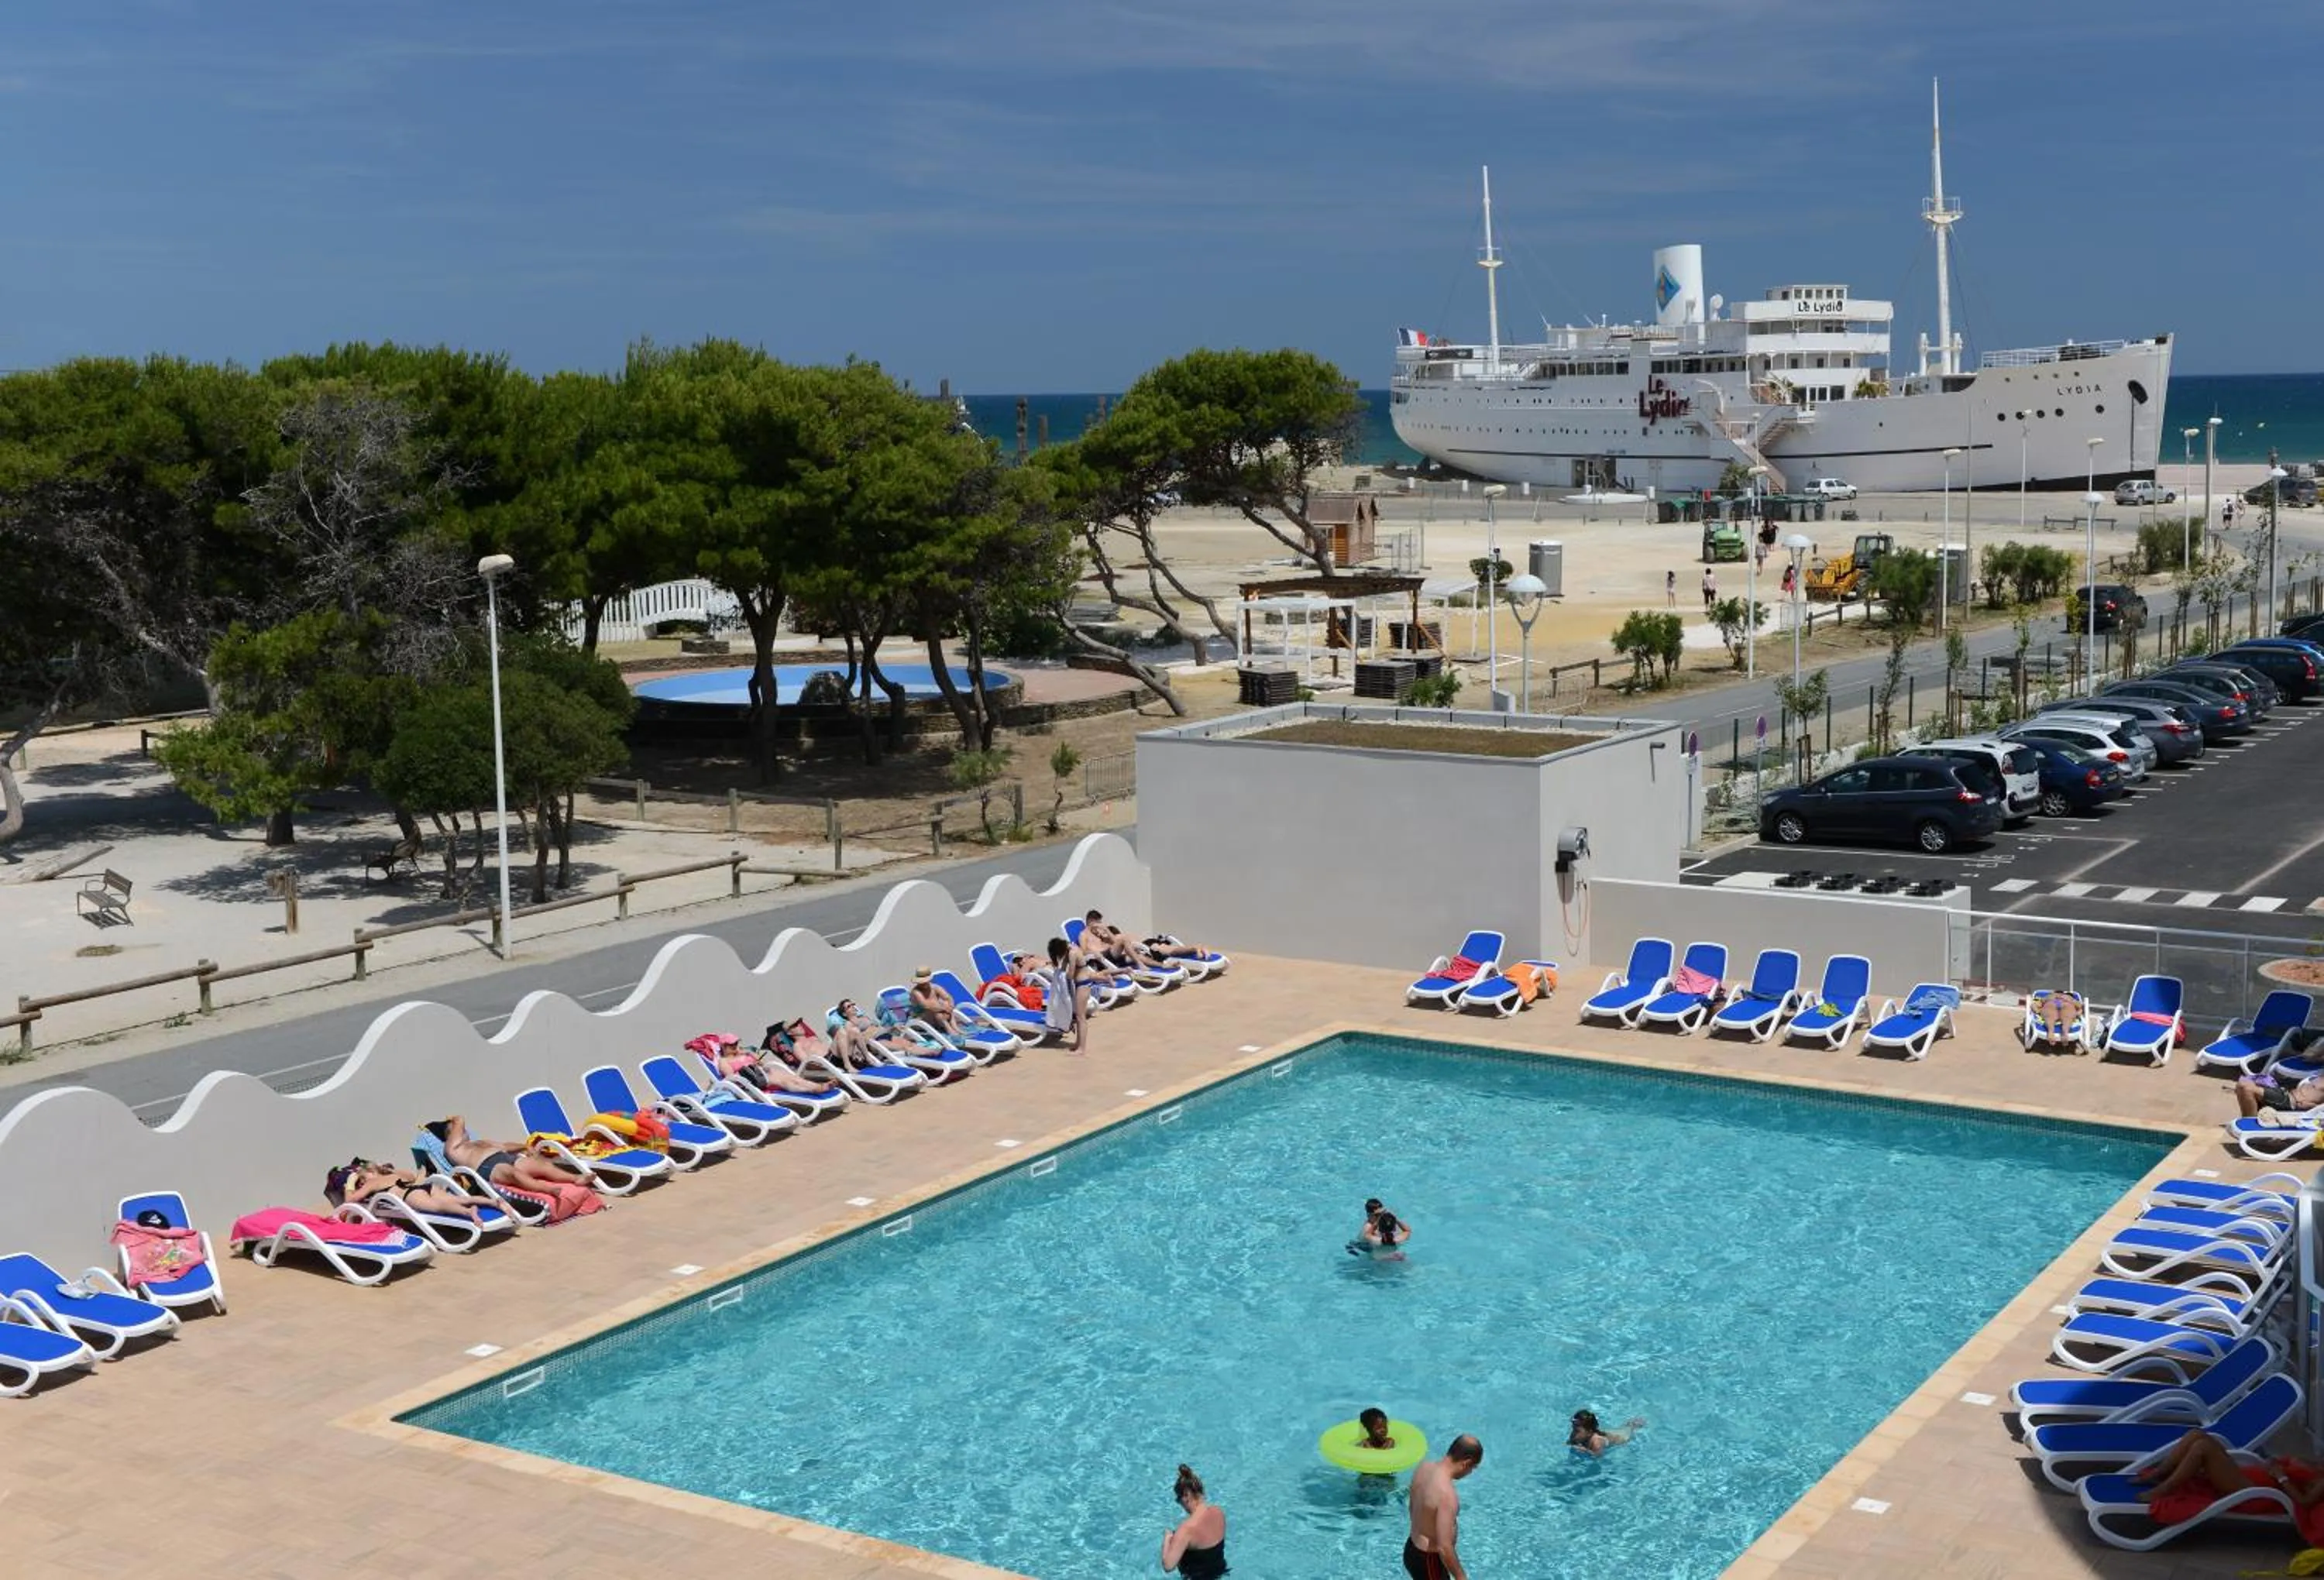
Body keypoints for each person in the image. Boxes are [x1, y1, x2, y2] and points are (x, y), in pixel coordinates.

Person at [2132, 1426, 2324, 1541]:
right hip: (2250, 1479)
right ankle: (2161, 1473)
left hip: (2256, 1493)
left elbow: (2305, 1502)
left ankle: (2164, 1489)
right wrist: (2274, 1463)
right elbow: (2286, 1464)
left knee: (2203, 1448)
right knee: (2196, 1435)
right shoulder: (2317, 1464)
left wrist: (2281, 1476)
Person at [424, 1116, 603, 1220]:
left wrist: (524, 1147)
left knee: (539, 1165)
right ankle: (547, 1189)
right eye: (458, 1130)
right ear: (451, 1134)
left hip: (505, 1157)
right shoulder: (452, 1149)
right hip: (488, 1168)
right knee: (512, 1173)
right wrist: (453, 1121)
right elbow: (460, 1119)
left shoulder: (479, 1142)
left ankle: (575, 1179)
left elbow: (504, 1146)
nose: (464, 1130)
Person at [1405, 1434, 1482, 1580]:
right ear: (1467, 1462)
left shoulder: (1423, 1468)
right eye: (1473, 1468)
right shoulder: (1447, 1495)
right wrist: (1461, 1577)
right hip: (1429, 1560)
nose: (1470, 1473)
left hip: (1411, 1549)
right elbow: (1444, 1548)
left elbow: (1412, 1507)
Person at [326, 1159, 487, 1223]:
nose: (363, 1182)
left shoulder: (373, 1183)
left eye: (363, 1178)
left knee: (438, 1207)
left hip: (411, 1195)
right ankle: (492, 1202)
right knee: (457, 1199)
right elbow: (414, 1177)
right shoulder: (397, 1173)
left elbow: (349, 1202)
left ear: (372, 1172)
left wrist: (351, 1182)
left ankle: (469, 1213)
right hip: (424, 1186)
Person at [1160, 1463, 1228, 1578]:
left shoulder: (1186, 1530)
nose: (1179, 1503)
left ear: (1186, 1496)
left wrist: (1168, 1539)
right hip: (1219, 1573)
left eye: (1178, 1499)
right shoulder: (1218, 1512)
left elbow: (1168, 1566)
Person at [1038, 936, 1101, 1053]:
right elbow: (1061, 967)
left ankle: (1082, 1049)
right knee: (1078, 1016)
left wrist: (1061, 979)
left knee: (1081, 1018)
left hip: (1083, 985)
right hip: (1081, 984)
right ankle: (1078, 1044)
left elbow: (1071, 974)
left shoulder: (1072, 953)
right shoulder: (1070, 949)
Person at [2234, 1066, 2324, 1120]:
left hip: (2290, 1102)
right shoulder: (2320, 1075)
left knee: (2245, 1087)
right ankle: (2249, 1122)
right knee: (2244, 1083)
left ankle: (2250, 1126)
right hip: (2284, 1093)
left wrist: (2311, 1107)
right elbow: (2310, 1056)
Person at [909, 969, 964, 1039]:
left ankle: (955, 1027)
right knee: (936, 1008)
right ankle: (949, 1029)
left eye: (925, 981)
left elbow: (948, 997)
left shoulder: (934, 987)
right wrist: (944, 1008)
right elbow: (926, 1006)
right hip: (919, 1019)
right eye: (922, 982)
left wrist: (950, 1006)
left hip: (935, 1018)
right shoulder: (916, 992)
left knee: (945, 1004)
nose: (923, 984)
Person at [1567, 1409, 1646, 1457]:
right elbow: (1569, 1443)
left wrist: (1585, 1451)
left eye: (1577, 1431)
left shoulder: (1597, 1442)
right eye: (1573, 1429)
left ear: (1589, 1432)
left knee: (1628, 1431)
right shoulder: (1577, 1435)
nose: (1573, 1433)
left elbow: (1598, 1456)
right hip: (1606, 1433)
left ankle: (1634, 1425)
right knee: (1620, 1429)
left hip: (1621, 1439)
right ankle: (1630, 1424)